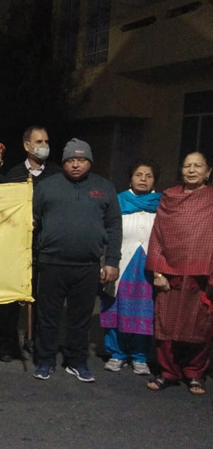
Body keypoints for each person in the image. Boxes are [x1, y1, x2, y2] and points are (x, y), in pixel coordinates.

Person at [32, 138, 122, 383]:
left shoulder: (104, 187)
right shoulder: (47, 186)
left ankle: (76, 361)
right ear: (63, 162)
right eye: (70, 160)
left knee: (80, 318)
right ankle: (45, 361)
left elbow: (114, 227)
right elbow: (34, 221)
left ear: (89, 161)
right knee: (47, 316)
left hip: (87, 265)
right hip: (51, 263)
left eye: (81, 160)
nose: (75, 165)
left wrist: (112, 261)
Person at [146, 151, 213, 395]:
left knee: (200, 327)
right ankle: (167, 372)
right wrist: (157, 272)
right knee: (165, 326)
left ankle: (195, 373)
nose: (192, 170)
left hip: (202, 275)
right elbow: (157, 236)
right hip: (170, 272)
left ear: (208, 172)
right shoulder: (170, 197)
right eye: (187, 166)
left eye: (198, 166)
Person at [0, 126, 60, 362]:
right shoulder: (13, 174)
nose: (43, 145)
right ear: (26, 145)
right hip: (15, 247)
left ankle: (36, 340)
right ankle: (7, 342)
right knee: (12, 299)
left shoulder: (56, 175)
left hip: (45, 246)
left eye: (46, 141)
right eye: (38, 141)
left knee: (41, 298)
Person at [99, 161, 161, 376]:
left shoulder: (161, 204)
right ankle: (117, 354)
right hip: (121, 263)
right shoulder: (118, 202)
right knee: (117, 309)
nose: (143, 178)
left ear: (154, 180)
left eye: (149, 175)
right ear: (130, 178)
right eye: (138, 174)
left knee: (145, 313)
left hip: (149, 267)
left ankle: (140, 356)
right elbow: (107, 236)